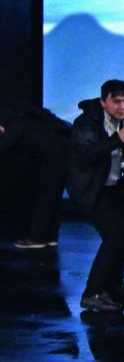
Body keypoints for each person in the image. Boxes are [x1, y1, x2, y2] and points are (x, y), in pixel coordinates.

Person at [68, 79, 124, 313]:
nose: (122, 107)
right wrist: (116, 140)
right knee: (114, 236)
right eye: (117, 102)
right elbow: (84, 154)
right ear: (104, 102)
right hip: (94, 189)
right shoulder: (86, 122)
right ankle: (92, 293)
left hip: (118, 188)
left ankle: (114, 284)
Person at [0, 98, 71, 249]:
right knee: (52, 196)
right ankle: (50, 235)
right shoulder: (23, 116)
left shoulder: (13, 125)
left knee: (47, 195)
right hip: (63, 151)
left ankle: (38, 238)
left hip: (56, 155)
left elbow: (5, 144)